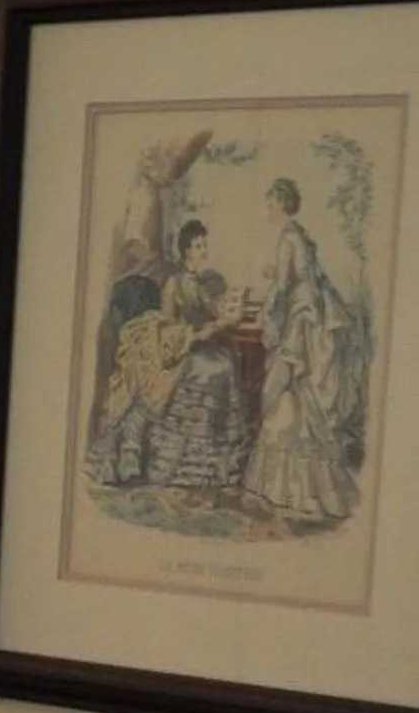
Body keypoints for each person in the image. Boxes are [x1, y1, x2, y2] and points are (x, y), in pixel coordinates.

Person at [86, 220, 250, 495]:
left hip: (197, 345)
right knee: (213, 367)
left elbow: (213, 311)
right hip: (178, 349)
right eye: (198, 246)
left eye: (204, 245)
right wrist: (201, 331)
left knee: (226, 362)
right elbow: (168, 327)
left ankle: (215, 461)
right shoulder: (175, 283)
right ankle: (172, 461)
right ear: (186, 251)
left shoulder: (197, 282)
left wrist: (226, 314)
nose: (203, 251)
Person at [245, 176, 363, 526]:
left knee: (287, 394)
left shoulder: (288, 237)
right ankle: (305, 490)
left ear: (281, 204)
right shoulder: (303, 237)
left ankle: (287, 491)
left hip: (298, 323)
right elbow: (309, 279)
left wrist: (267, 313)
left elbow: (284, 286)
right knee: (300, 400)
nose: (267, 210)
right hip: (309, 320)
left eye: (270, 204)